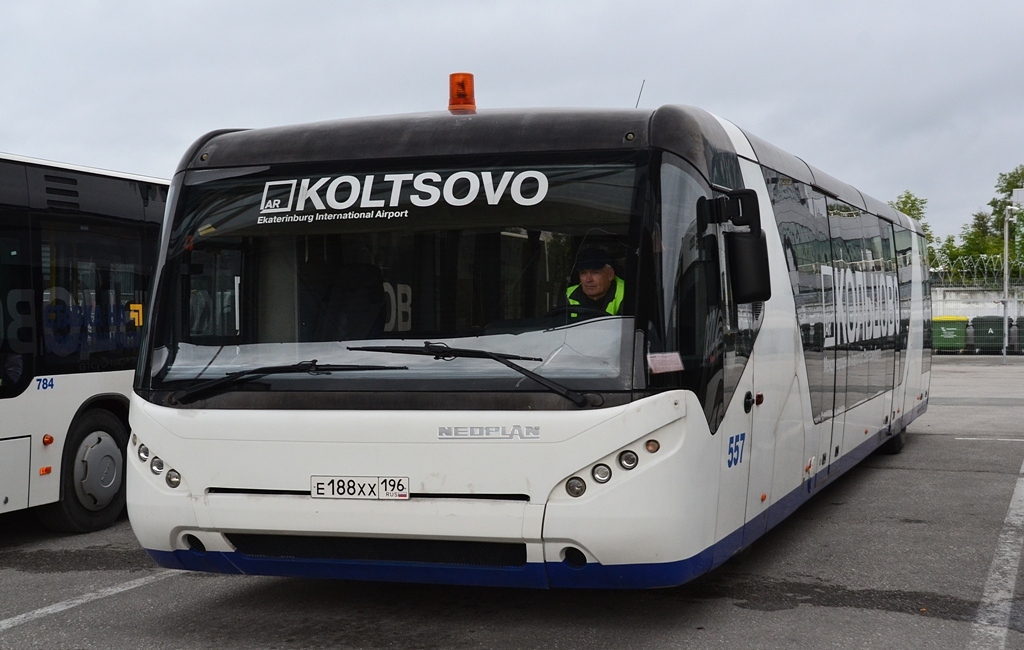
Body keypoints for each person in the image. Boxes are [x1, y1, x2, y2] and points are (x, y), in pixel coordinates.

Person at [565, 248, 624, 316]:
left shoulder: (626, 294)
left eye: (595, 273)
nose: (588, 280)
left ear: (610, 275)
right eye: (583, 273)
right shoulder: (569, 294)